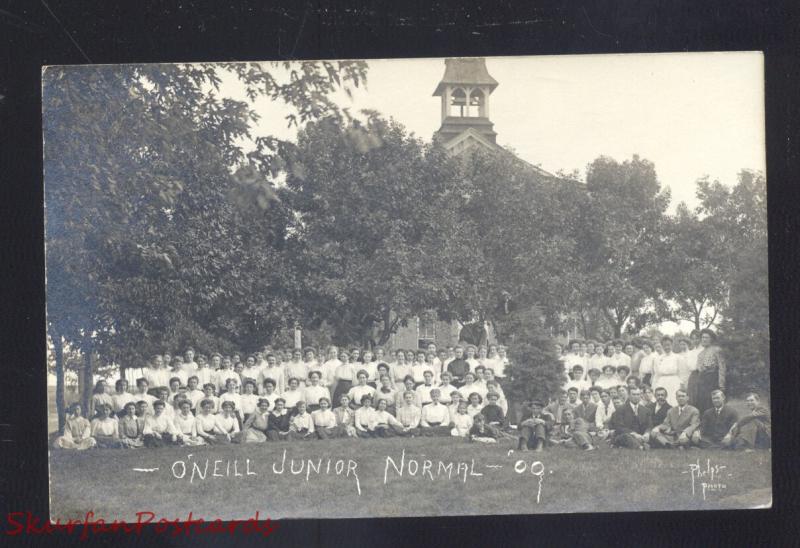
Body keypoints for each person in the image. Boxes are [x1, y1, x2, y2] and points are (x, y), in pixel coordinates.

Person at [692, 329, 727, 414]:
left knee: (713, 402)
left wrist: (721, 384)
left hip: (713, 380)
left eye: (707, 337)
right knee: (702, 403)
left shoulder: (717, 350)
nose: (704, 339)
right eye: (703, 337)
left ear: (711, 339)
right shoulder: (700, 354)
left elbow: (722, 368)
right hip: (702, 381)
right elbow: (699, 369)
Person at [651, 336, 684, 406]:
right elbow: (656, 374)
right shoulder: (657, 359)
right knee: (661, 401)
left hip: (674, 382)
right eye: (664, 345)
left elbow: (682, 373)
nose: (666, 347)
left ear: (672, 345)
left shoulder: (678, 357)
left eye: (668, 345)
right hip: (661, 382)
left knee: (673, 402)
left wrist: (682, 385)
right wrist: (654, 386)